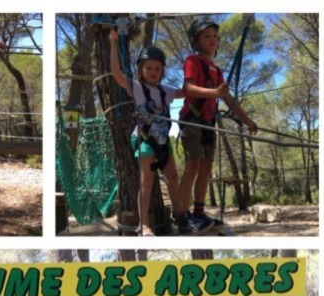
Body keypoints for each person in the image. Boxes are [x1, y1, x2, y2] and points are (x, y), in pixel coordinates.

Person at [177, 18, 258, 234]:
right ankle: (182, 217)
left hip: (207, 124)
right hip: (192, 121)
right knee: (192, 167)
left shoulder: (217, 70)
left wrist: (247, 120)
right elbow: (189, 88)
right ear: (196, 41)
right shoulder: (193, 61)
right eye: (206, 36)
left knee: (205, 168)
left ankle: (199, 212)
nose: (212, 40)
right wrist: (214, 93)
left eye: (215, 36)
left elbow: (229, 100)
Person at [109, 31, 186, 236]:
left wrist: (194, 74)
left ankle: (180, 216)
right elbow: (116, 73)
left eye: (157, 68)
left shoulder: (166, 91)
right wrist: (113, 45)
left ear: (162, 71)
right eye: (149, 67)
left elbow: (186, 91)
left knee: (173, 176)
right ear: (141, 69)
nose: (153, 71)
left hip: (162, 141)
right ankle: (144, 225)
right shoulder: (136, 87)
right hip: (145, 139)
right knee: (147, 181)